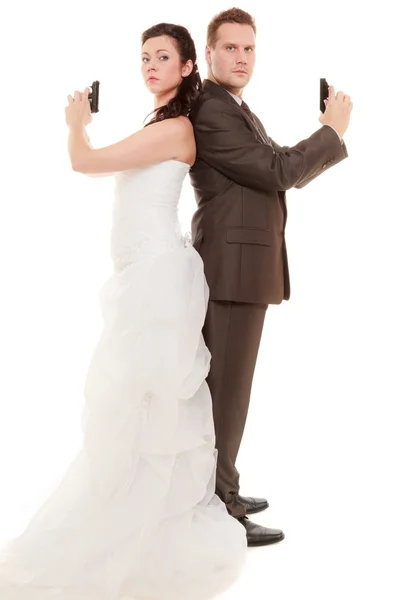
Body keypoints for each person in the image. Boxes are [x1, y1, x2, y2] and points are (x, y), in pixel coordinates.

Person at [0, 22, 247, 600]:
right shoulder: (156, 125)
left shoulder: (179, 127)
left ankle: (151, 517)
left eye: (163, 57)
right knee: (131, 401)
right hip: (140, 275)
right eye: (144, 58)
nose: (150, 66)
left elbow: (85, 162)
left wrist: (76, 124)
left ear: (189, 67)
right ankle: (133, 503)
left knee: (150, 398)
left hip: (158, 277)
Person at [189, 7, 353, 546]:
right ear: (208, 54)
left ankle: (222, 482)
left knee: (229, 390)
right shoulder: (212, 108)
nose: (241, 57)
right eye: (230, 48)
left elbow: (274, 162)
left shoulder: (234, 105)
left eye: (249, 49)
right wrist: (331, 130)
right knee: (227, 393)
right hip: (232, 270)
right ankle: (222, 506)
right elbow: (278, 170)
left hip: (243, 266)